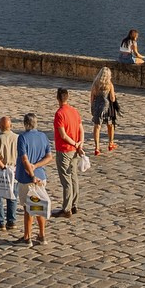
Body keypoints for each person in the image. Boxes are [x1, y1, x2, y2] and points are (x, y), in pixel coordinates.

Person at [15, 112, 52, 246]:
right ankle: (42, 235)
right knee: (39, 206)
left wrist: (32, 175)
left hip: (27, 179)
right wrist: (36, 166)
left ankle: (27, 237)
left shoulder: (22, 138)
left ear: (25, 124)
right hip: (41, 176)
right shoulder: (43, 136)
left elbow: (25, 159)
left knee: (28, 208)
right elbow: (49, 157)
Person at [52, 87, 84, 220]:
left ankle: (66, 208)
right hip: (74, 150)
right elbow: (81, 129)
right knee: (74, 177)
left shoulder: (59, 114)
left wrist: (75, 144)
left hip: (65, 149)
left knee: (66, 180)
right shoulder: (74, 111)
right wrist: (80, 143)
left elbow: (63, 135)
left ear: (58, 98)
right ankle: (74, 204)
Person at [88, 67, 117, 155]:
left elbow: (92, 97)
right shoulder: (109, 84)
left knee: (97, 126)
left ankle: (97, 147)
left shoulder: (95, 84)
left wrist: (92, 107)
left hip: (97, 107)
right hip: (107, 108)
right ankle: (110, 143)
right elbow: (112, 98)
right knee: (110, 125)